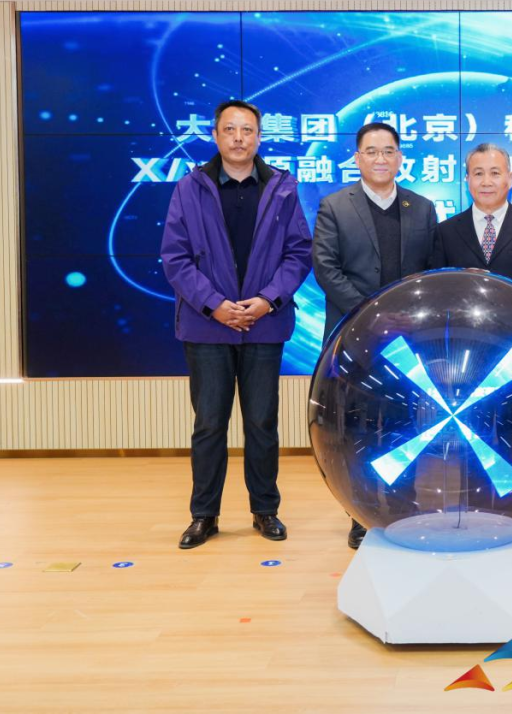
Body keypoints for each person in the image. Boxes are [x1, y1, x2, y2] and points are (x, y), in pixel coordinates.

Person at [161, 100, 313, 549]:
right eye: (230, 129)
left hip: (264, 324)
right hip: (207, 326)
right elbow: (175, 258)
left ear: (260, 136)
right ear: (215, 135)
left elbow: (298, 254)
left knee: (262, 422)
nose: (239, 138)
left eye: (247, 130)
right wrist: (215, 305)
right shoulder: (190, 187)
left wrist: (267, 300)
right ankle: (203, 515)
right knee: (210, 423)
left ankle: (265, 510)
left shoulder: (282, 187)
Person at [313, 121, 438, 549]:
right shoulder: (334, 206)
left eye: (388, 151)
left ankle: (404, 506)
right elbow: (326, 269)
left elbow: (431, 272)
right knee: (359, 428)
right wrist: (371, 314)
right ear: (357, 158)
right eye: (371, 151)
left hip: (408, 339)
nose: (380, 159)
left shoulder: (422, 208)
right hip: (355, 338)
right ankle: (362, 513)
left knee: (408, 425)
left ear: (400, 158)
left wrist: (409, 317)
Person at [429, 143, 512, 310]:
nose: (486, 182)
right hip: (464, 325)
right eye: (478, 173)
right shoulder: (446, 231)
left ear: (510, 178)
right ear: (467, 180)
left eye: (495, 173)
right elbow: (438, 294)